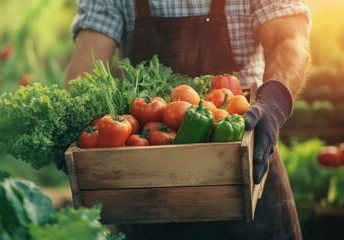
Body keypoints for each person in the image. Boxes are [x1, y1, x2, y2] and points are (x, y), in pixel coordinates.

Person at [65, 0, 311, 239]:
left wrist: (273, 103)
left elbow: (288, 38)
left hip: (247, 153)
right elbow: (89, 58)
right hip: (147, 181)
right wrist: (77, 120)